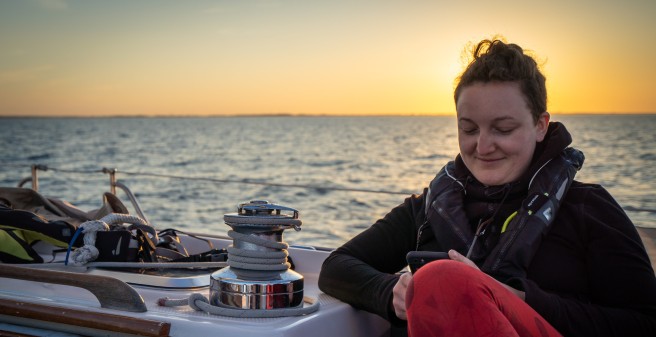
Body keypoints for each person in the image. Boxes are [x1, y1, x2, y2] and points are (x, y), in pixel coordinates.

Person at [318, 38, 656, 337]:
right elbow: (336, 267)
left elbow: (643, 322)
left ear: (540, 126)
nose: (482, 146)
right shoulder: (428, 208)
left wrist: (518, 299)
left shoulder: (588, 209)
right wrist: (392, 291)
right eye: (468, 129)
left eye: (503, 129)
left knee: (444, 280)